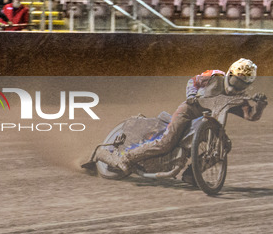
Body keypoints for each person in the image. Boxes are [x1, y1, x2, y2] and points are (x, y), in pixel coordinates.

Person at [98, 58, 267, 182]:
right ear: (230, 74)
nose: (236, 87)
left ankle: (192, 175)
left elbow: (251, 116)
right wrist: (191, 95)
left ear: (247, 86)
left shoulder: (240, 98)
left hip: (210, 124)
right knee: (166, 143)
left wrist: (260, 105)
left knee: (224, 145)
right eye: (235, 81)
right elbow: (192, 81)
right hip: (188, 111)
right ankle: (125, 157)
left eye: (241, 85)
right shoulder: (215, 76)